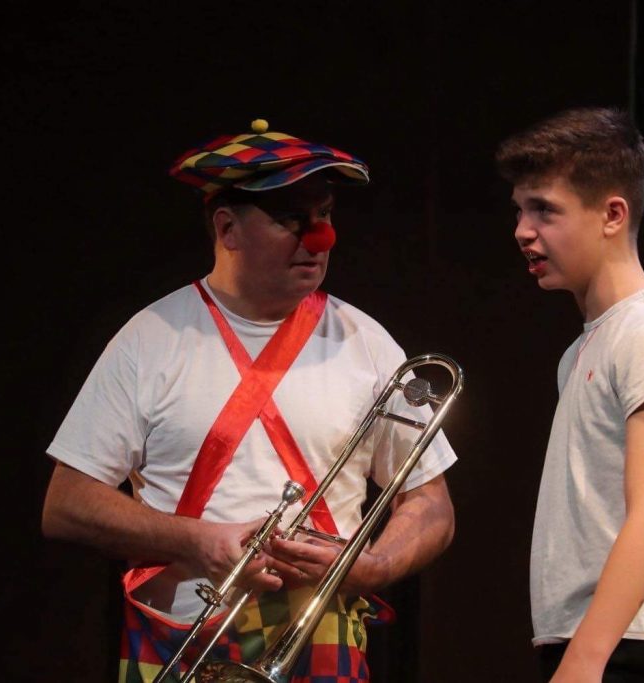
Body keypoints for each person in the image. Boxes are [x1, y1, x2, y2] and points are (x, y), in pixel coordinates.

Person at [42, 119, 457, 682]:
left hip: (318, 638)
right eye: (291, 219)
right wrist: (197, 541)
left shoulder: (367, 342)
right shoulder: (150, 339)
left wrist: (373, 566)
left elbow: (431, 503)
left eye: (324, 215)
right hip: (183, 639)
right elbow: (67, 504)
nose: (319, 238)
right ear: (228, 229)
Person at [496, 107, 644, 683]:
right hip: (600, 642)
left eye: (545, 210)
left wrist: (585, 660)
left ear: (612, 215)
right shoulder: (586, 347)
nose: (523, 230)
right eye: (520, 209)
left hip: (638, 646)